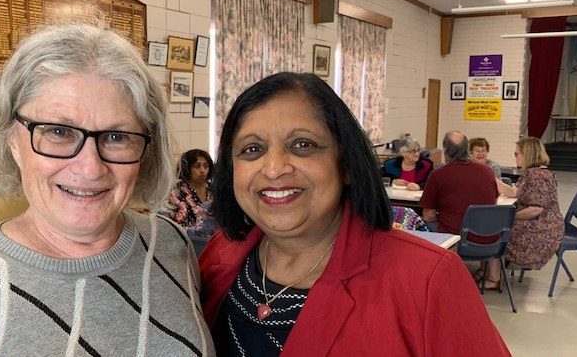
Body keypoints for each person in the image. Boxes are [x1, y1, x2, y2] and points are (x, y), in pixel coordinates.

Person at [0, 24, 213, 356]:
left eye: (117, 137)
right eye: (59, 131)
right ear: (12, 140)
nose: (90, 167)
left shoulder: (171, 245)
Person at [199, 73, 509, 356]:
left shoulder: (429, 280)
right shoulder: (217, 255)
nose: (275, 167)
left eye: (302, 144)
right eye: (252, 149)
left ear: (346, 163)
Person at [420, 131, 502, 288]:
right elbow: (494, 202)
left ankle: (433, 278)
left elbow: (429, 215)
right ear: (467, 149)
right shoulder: (487, 171)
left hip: (458, 241)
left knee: (419, 225)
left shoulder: (438, 175)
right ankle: (490, 274)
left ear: (445, 150)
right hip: (490, 240)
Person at [505, 137, 564, 270]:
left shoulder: (539, 177)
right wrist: (490, 176)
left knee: (500, 231)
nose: (515, 157)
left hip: (543, 227)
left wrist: (512, 217)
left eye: (517, 154)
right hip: (539, 222)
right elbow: (513, 192)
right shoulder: (531, 173)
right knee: (501, 227)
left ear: (527, 154)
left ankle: (495, 273)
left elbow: (536, 209)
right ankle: (495, 272)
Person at [165, 149, 218, 235]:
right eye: (197, 166)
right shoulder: (178, 192)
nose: (202, 170)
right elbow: (178, 226)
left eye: (206, 166)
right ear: (187, 168)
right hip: (190, 242)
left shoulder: (214, 189)